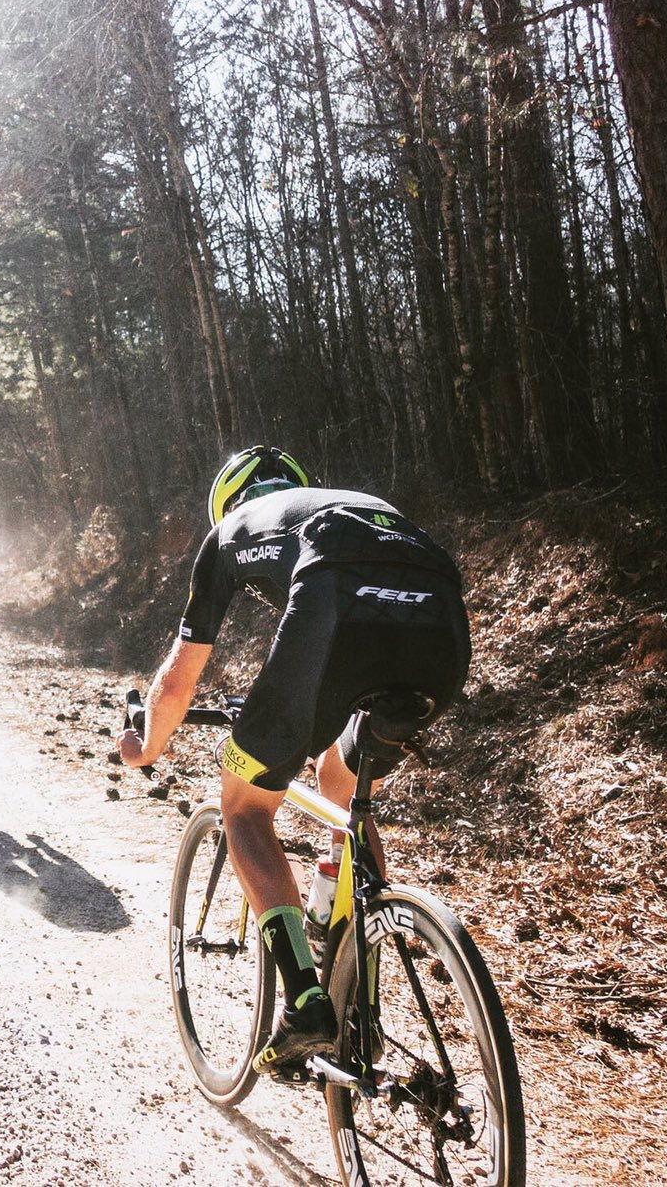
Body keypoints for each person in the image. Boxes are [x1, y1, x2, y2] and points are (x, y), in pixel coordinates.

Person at [117, 446, 470, 1072]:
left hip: (337, 604)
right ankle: (355, 973)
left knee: (245, 806)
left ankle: (307, 1002)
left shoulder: (229, 533)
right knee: (343, 787)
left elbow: (178, 682)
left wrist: (147, 744)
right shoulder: (356, 507)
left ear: (228, 504)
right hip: (440, 625)